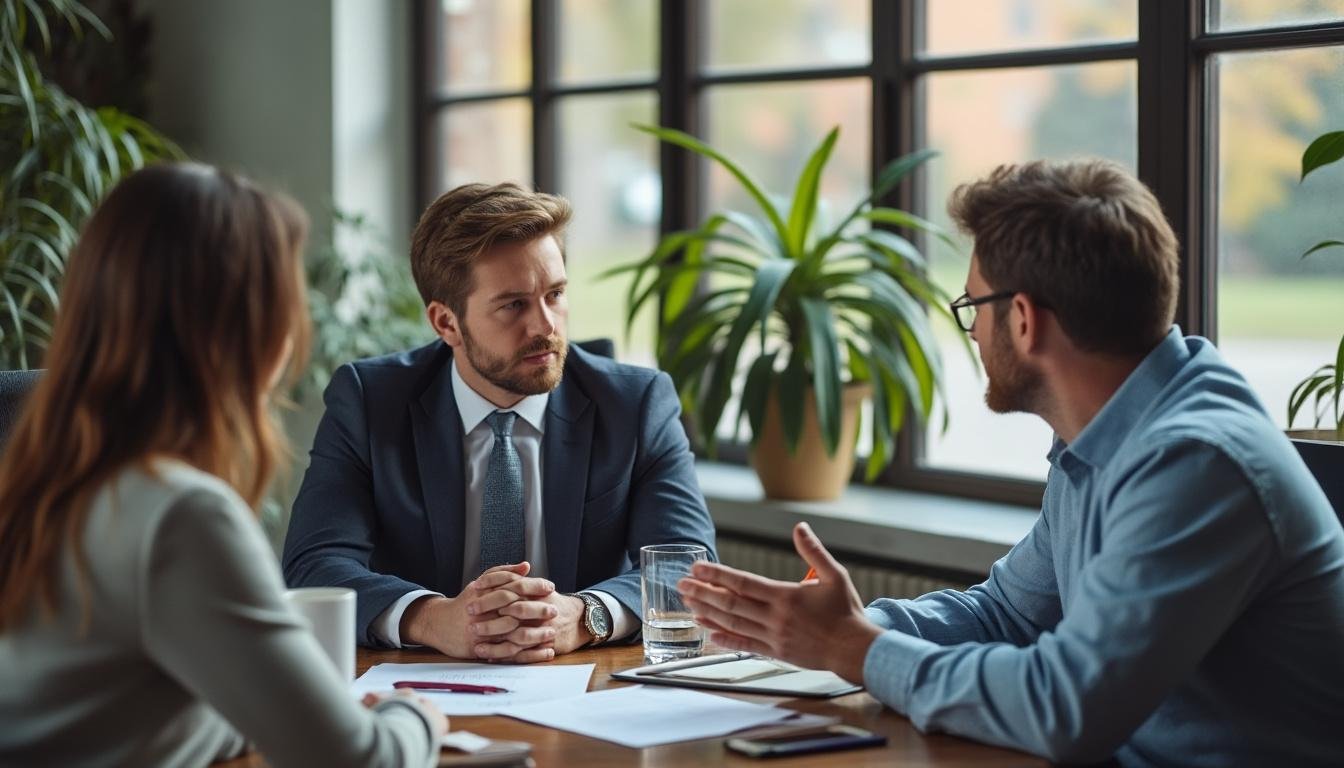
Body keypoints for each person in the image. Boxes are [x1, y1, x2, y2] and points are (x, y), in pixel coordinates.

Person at [678, 159, 1344, 766]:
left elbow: (1066, 708)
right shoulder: (1108, 437)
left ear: (1023, 319)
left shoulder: (1198, 464)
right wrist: (833, 630)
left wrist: (853, 650)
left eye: (972, 304)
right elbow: (1009, 615)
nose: (968, 328)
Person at [0, 164, 446, 766]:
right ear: (247, 330)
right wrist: (414, 715)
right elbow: (361, 762)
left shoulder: (47, 478)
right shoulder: (180, 515)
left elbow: (126, 711)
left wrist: (273, 715)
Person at [283, 182, 716, 663]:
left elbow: (687, 566)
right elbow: (314, 565)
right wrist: (433, 618)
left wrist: (584, 615)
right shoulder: (370, 402)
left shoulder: (635, 404)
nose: (545, 326)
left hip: (589, 684)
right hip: (423, 689)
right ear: (446, 323)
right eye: (514, 305)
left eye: (555, 294)